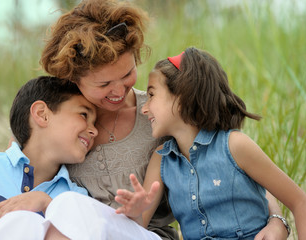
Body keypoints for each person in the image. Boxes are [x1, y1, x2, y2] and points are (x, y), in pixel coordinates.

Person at [39, 0, 289, 239]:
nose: (118, 91)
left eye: (127, 73)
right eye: (104, 84)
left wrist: (277, 219)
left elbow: (232, 171)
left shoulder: (161, 114)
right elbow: (23, 169)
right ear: (73, 79)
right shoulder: (57, 120)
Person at [114, 47, 306, 240]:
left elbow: (302, 204)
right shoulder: (161, 159)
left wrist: (278, 221)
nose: (144, 108)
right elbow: (139, 228)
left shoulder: (234, 146)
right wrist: (135, 213)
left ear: (184, 96)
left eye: (151, 95)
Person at [0, 76, 97, 239]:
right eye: (83, 115)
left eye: (95, 123)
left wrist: (48, 205)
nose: (94, 131)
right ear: (42, 114)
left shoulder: (76, 198)